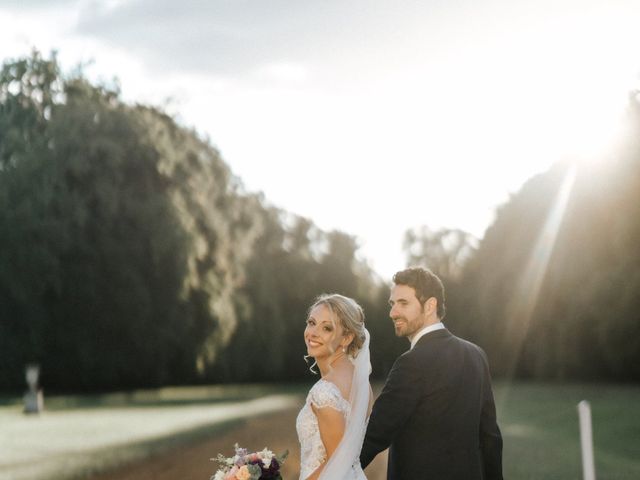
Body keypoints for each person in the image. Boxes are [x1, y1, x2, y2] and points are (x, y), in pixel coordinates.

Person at [360, 267, 503, 480]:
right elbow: (490, 437)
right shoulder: (476, 355)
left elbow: (374, 434)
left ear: (430, 306)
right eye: (392, 304)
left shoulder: (411, 363)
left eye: (403, 303)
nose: (393, 312)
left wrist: (332, 473)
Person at [296, 294, 373, 480]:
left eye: (327, 328)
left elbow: (337, 466)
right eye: (312, 322)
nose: (313, 333)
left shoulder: (324, 392)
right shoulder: (361, 383)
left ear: (346, 338)